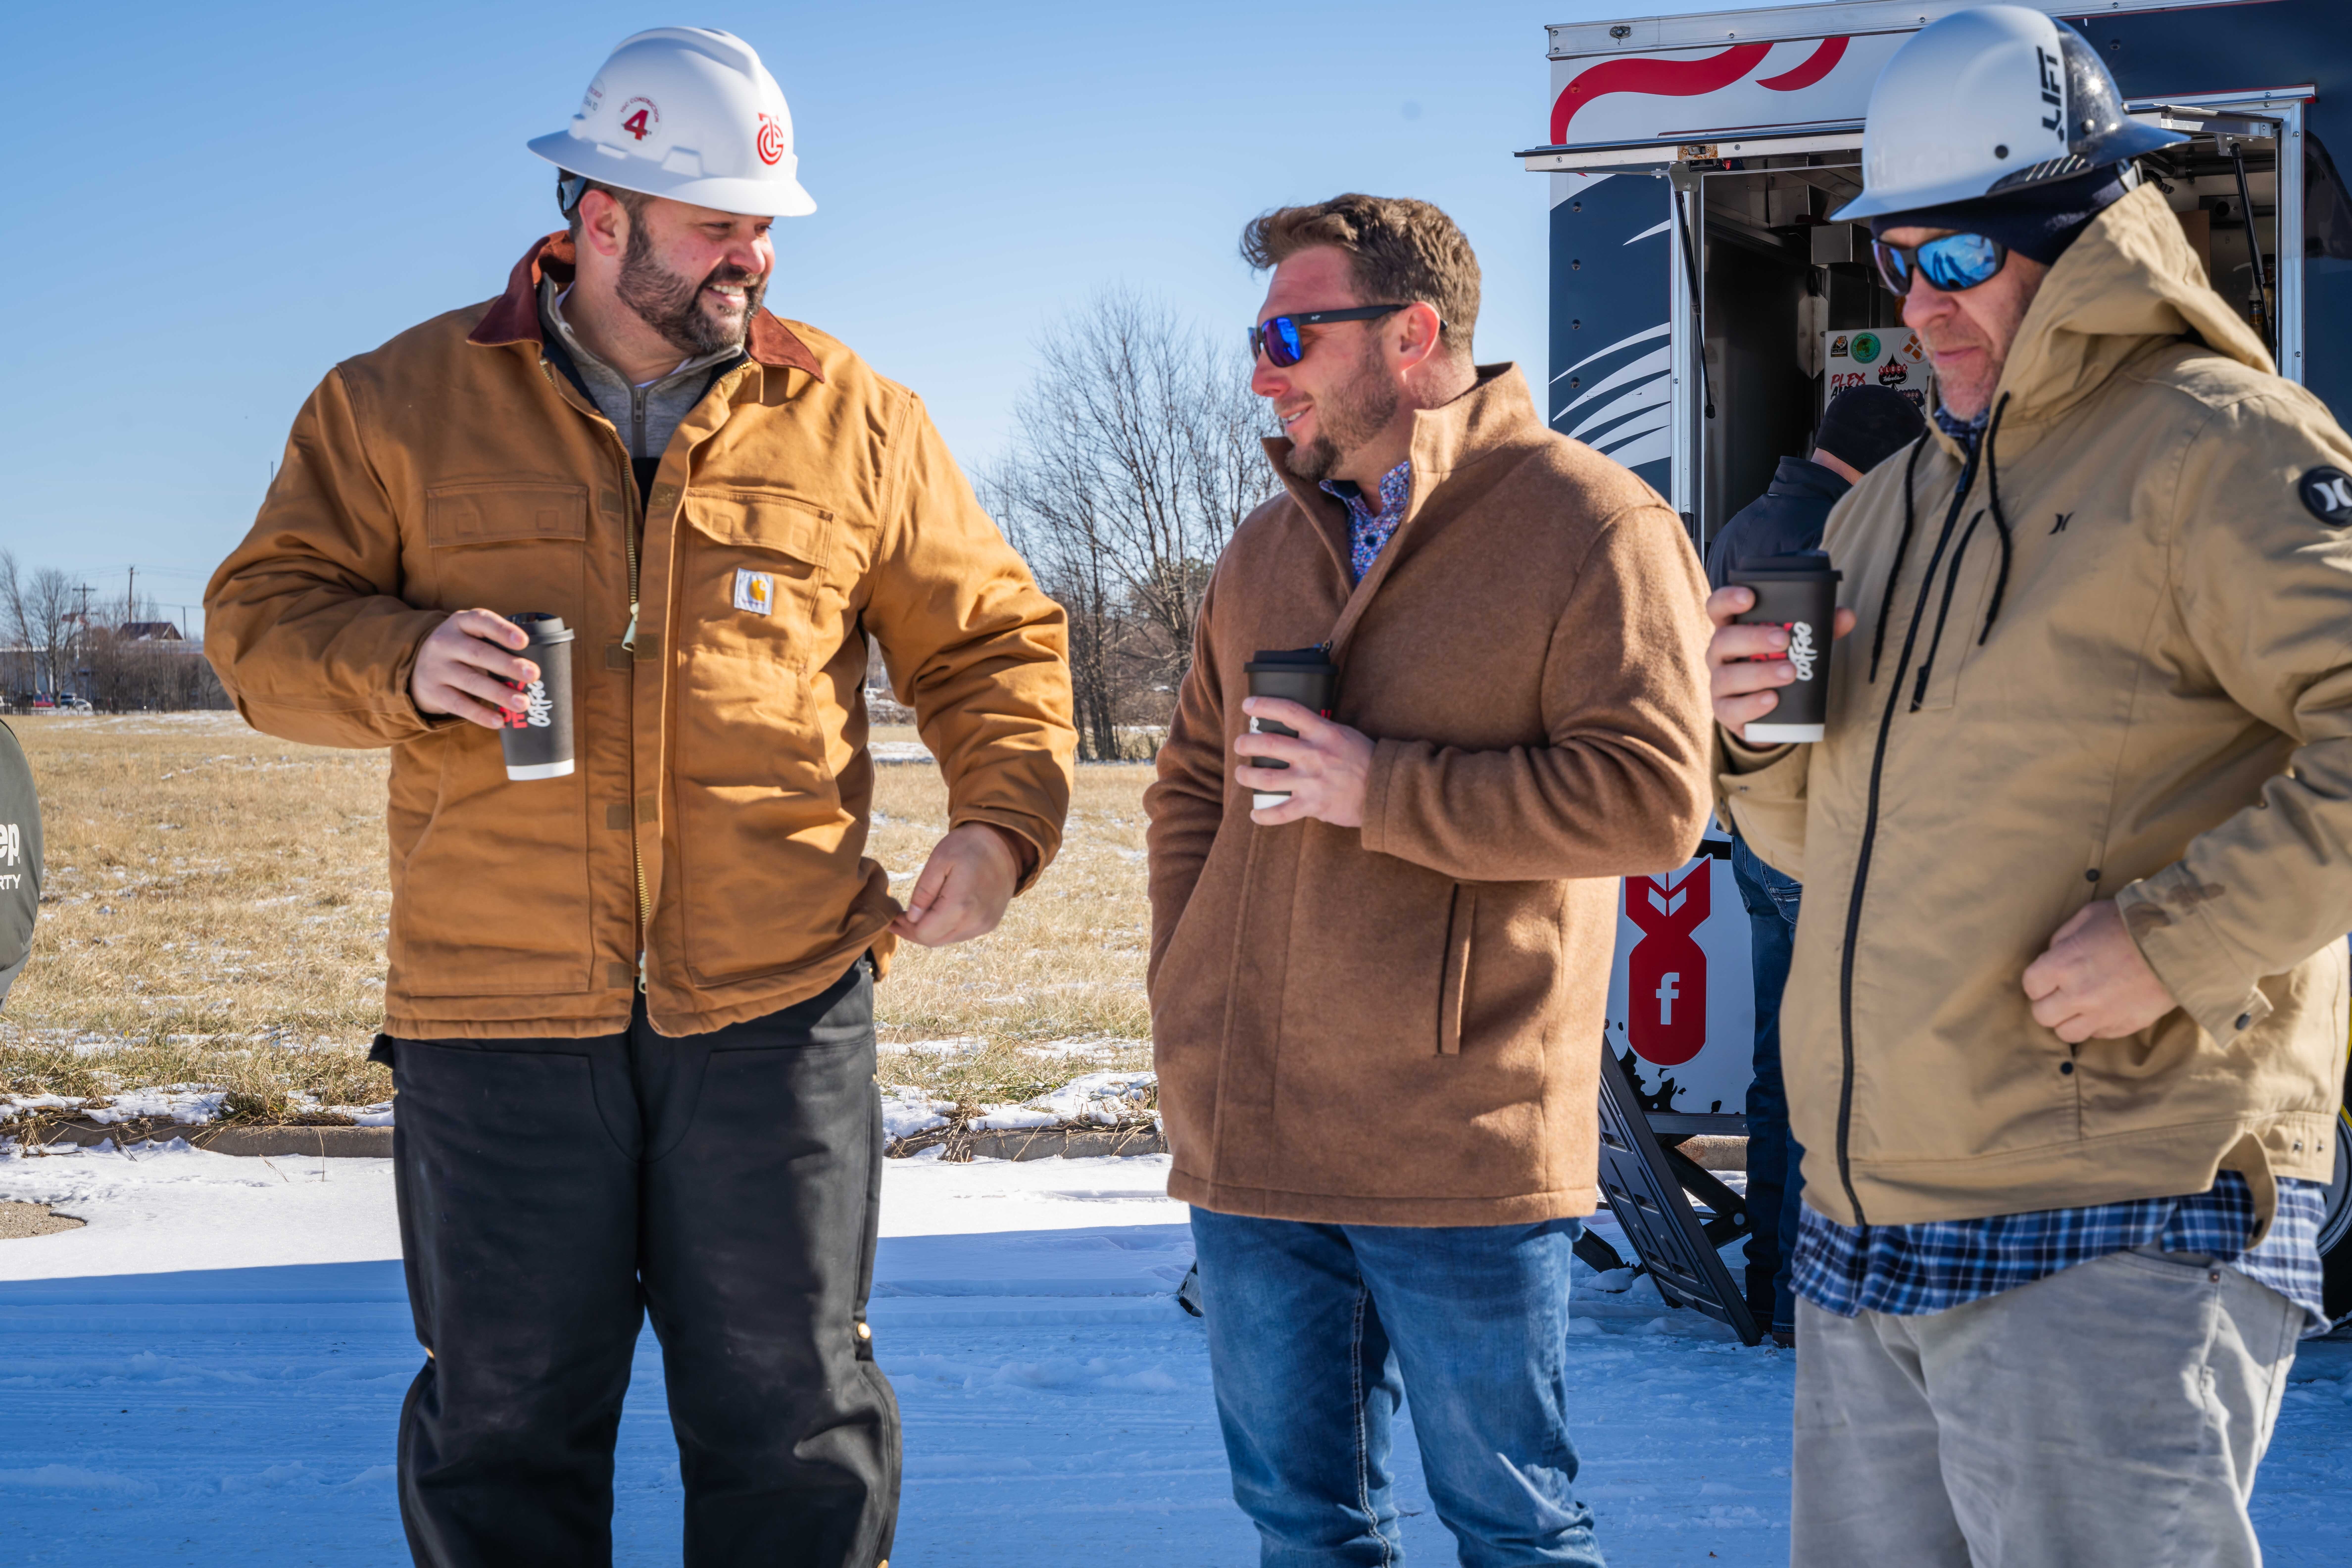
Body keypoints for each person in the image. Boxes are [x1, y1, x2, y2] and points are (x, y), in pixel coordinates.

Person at [204, 28, 1073, 1568]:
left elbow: (996, 638)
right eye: (718, 222)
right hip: (497, 1015)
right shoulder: (396, 404)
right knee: (502, 1428)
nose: (754, 253)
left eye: (765, 223)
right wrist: (402, 660)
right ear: (600, 214)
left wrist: (1003, 828)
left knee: (796, 1426)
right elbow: (262, 629)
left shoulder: (854, 417)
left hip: (779, 1004)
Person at [1706, 10, 2350, 1564]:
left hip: (2114, 1206)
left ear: (2075, 242)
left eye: (1955, 263)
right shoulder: (1893, 504)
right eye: (1893, 262)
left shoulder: (2221, 444)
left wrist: (2176, 939)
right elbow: (1819, 839)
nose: (1919, 311)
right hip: (1875, 1230)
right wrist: (1751, 745)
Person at [1146, 194, 1714, 1567]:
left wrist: (1378, 786)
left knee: (1514, 1527)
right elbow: (1188, 795)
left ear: (1411, 335)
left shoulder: (1593, 525)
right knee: (1301, 1523)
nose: (1263, 368)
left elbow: (1653, 802)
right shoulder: (1264, 546)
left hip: (1460, 1137)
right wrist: (1192, 984)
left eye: (1290, 333)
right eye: (1257, 334)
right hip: (1256, 1138)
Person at [1704, 385, 1925, 1343]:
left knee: (1771, 1071)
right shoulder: (1842, 533)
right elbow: (1822, 706)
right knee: (1822, 1071)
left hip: (1749, 828)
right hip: (1812, 835)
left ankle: (1768, 1277)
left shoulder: (1746, 523)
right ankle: (1803, 1293)